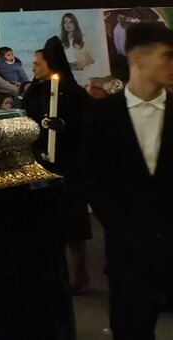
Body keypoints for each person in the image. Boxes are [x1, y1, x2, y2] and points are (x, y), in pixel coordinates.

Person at [82, 21, 173, 340]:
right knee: (133, 329)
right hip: (129, 253)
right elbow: (93, 182)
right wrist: (127, 231)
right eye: (168, 56)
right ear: (138, 59)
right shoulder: (102, 117)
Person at [23, 38, 92, 294]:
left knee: (72, 222)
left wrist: (65, 127)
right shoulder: (33, 91)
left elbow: (85, 125)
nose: (34, 67)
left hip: (68, 163)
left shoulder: (74, 93)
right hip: (43, 163)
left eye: (38, 63)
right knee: (49, 223)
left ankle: (80, 271)